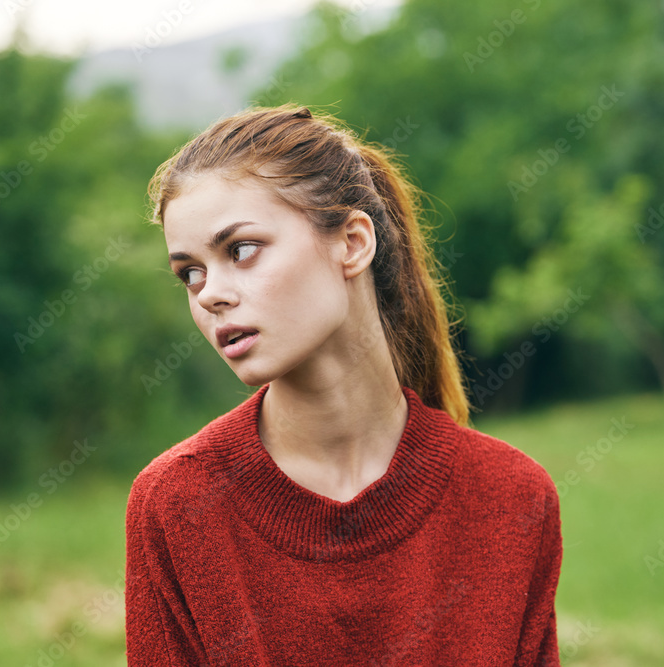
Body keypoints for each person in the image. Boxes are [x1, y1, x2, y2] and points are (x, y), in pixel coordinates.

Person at [125, 104, 562, 666]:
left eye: (241, 250)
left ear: (352, 242)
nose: (209, 293)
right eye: (191, 272)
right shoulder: (176, 503)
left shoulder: (511, 497)